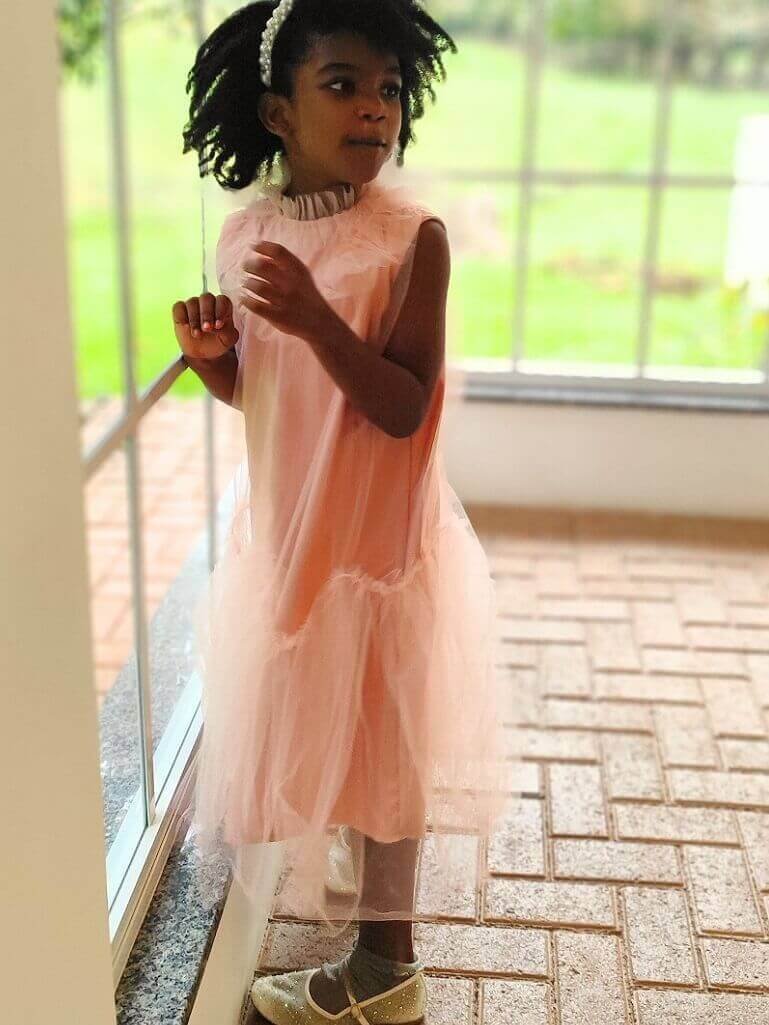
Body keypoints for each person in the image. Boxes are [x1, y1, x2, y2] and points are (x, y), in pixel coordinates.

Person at [172, 1, 516, 1021]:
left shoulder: (410, 239)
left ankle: (384, 968)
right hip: (294, 535)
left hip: (374, 545)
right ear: (278, 113)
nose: (375, 108)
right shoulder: (248, 235)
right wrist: (215, 362)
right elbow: (272, 395)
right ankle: (368, 926)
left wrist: (318, 320)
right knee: (342, 735)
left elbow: (401, 407)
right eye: (343, 85)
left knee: (385, 744)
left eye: (389, 90)